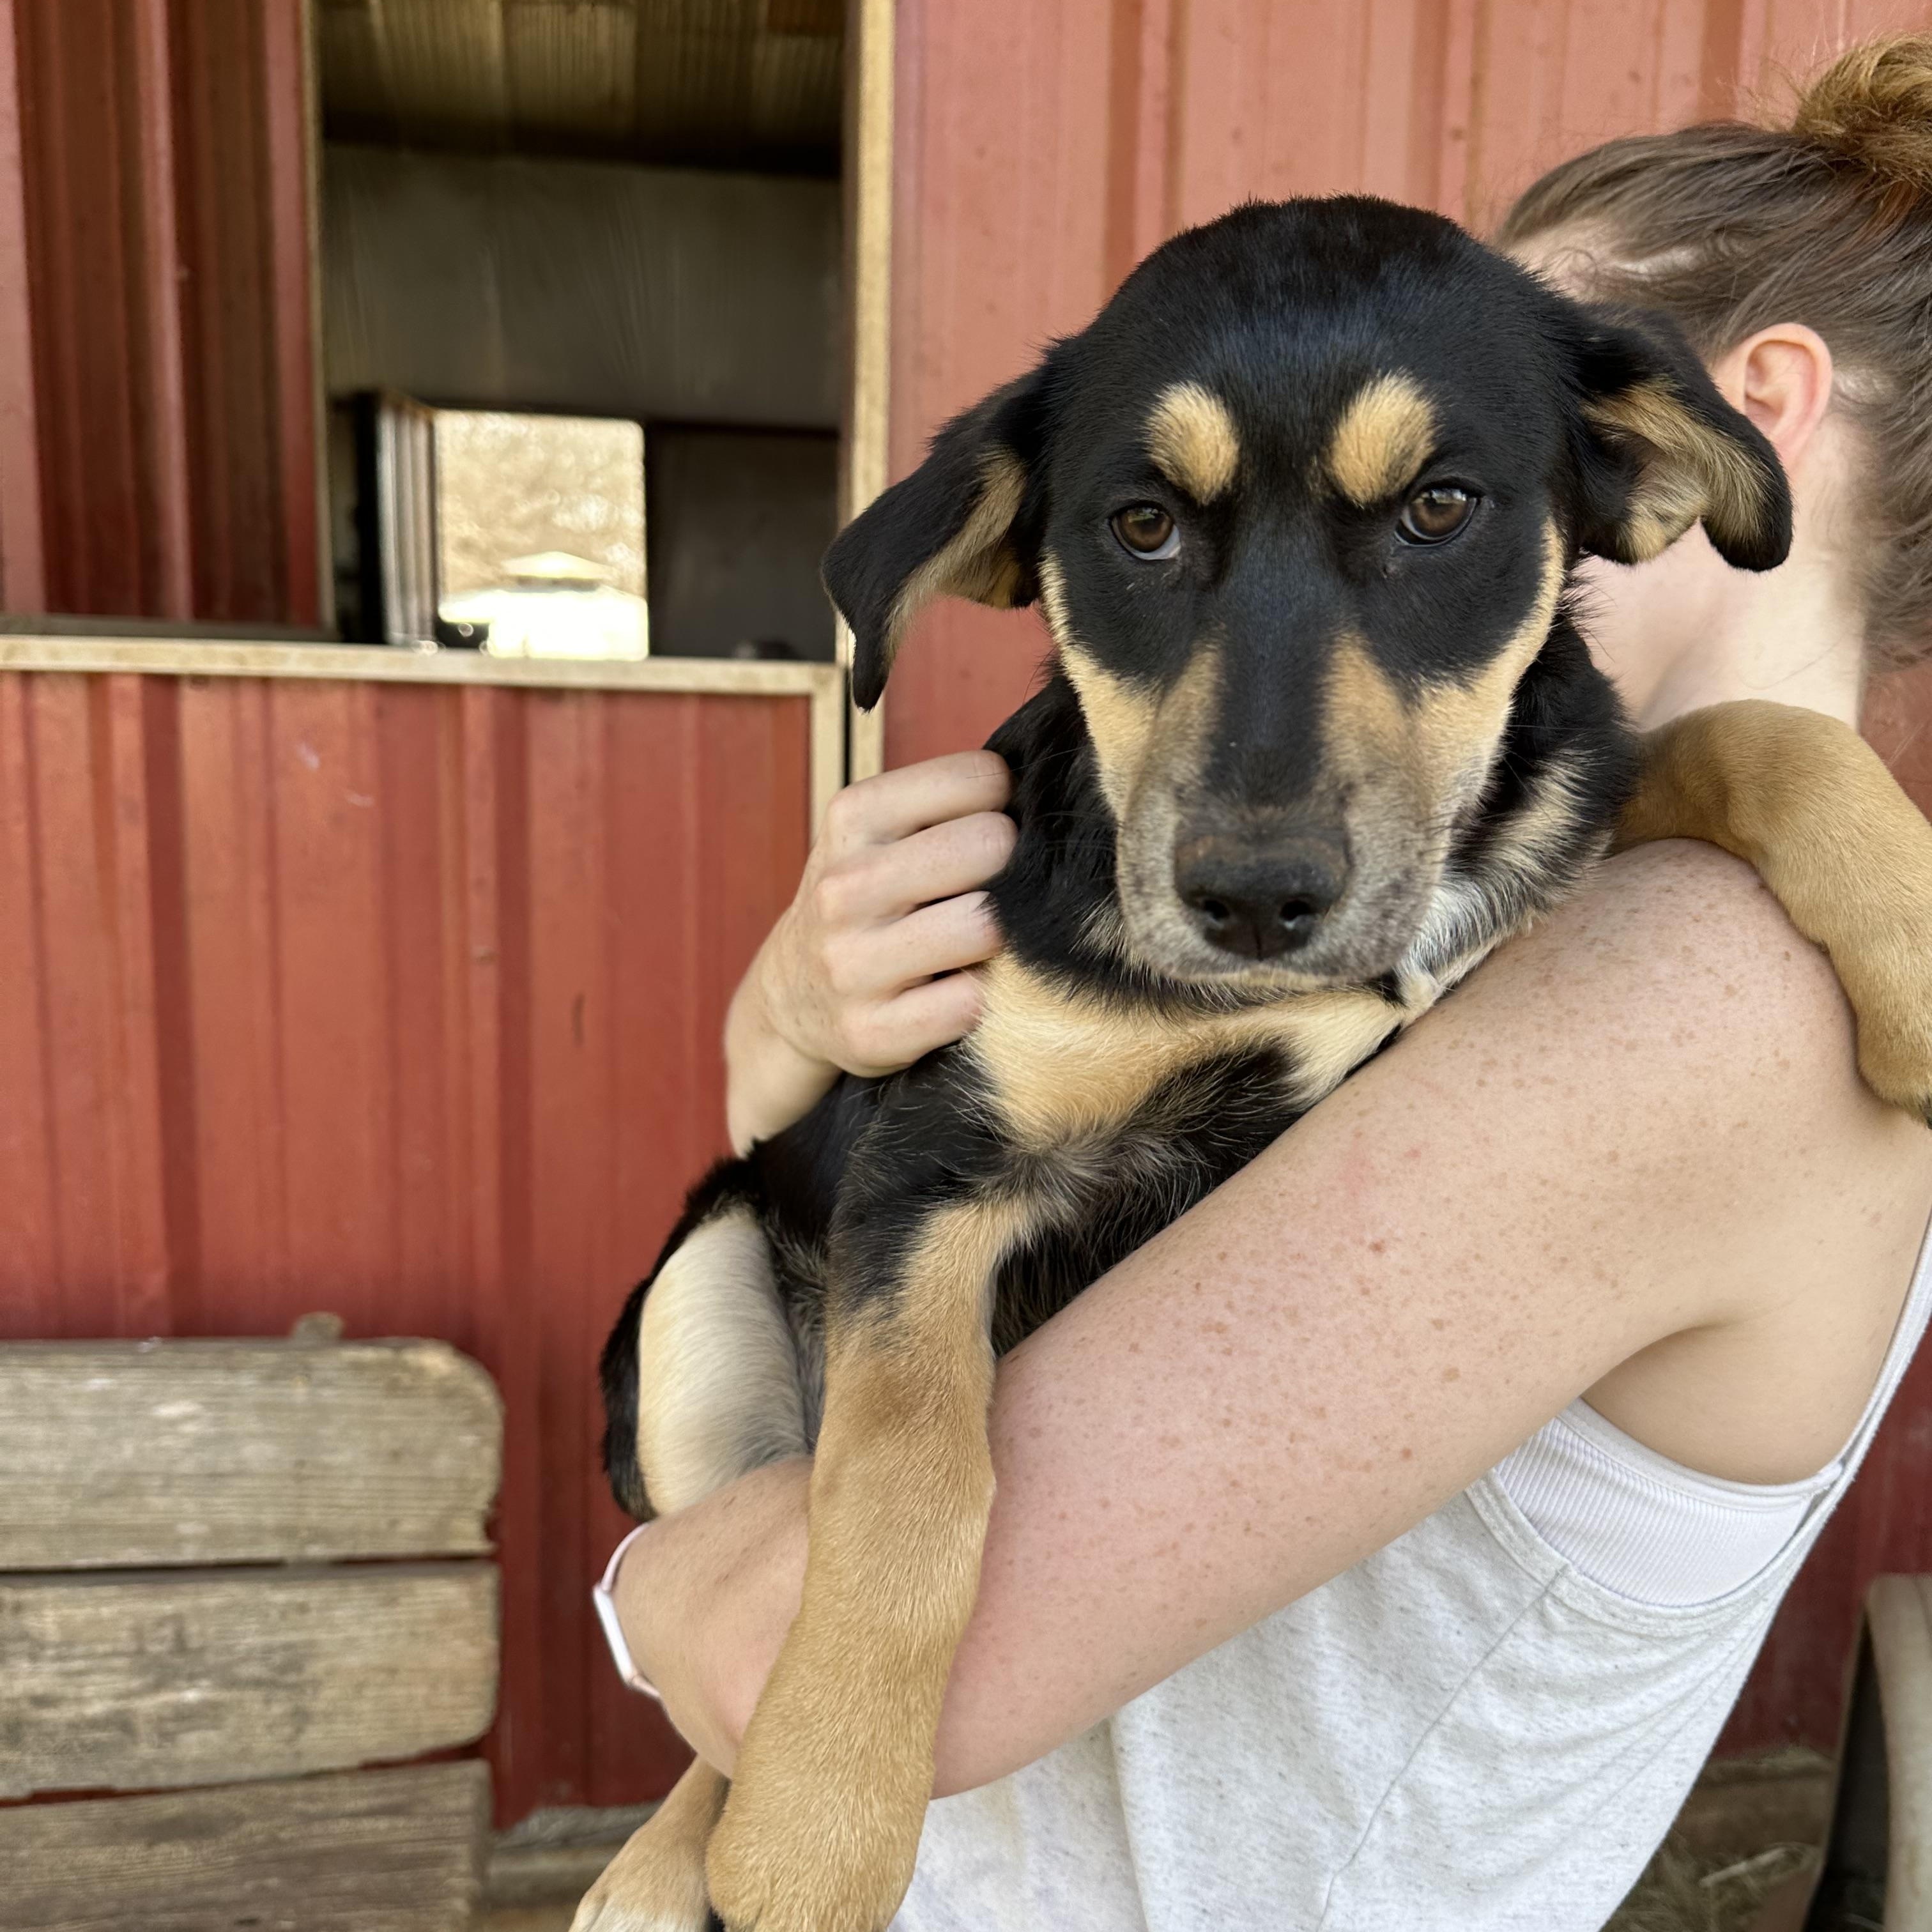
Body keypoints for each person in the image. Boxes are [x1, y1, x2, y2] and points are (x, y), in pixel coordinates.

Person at [597, 38, 1932, 1930]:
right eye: (1152, 526)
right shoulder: (1627, 878)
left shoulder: (1712, 1000)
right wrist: (785, 1037)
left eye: (1439, 498)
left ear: (1700, 439)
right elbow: (901, 1190)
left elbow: (762, 1648)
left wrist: (649, 1590)